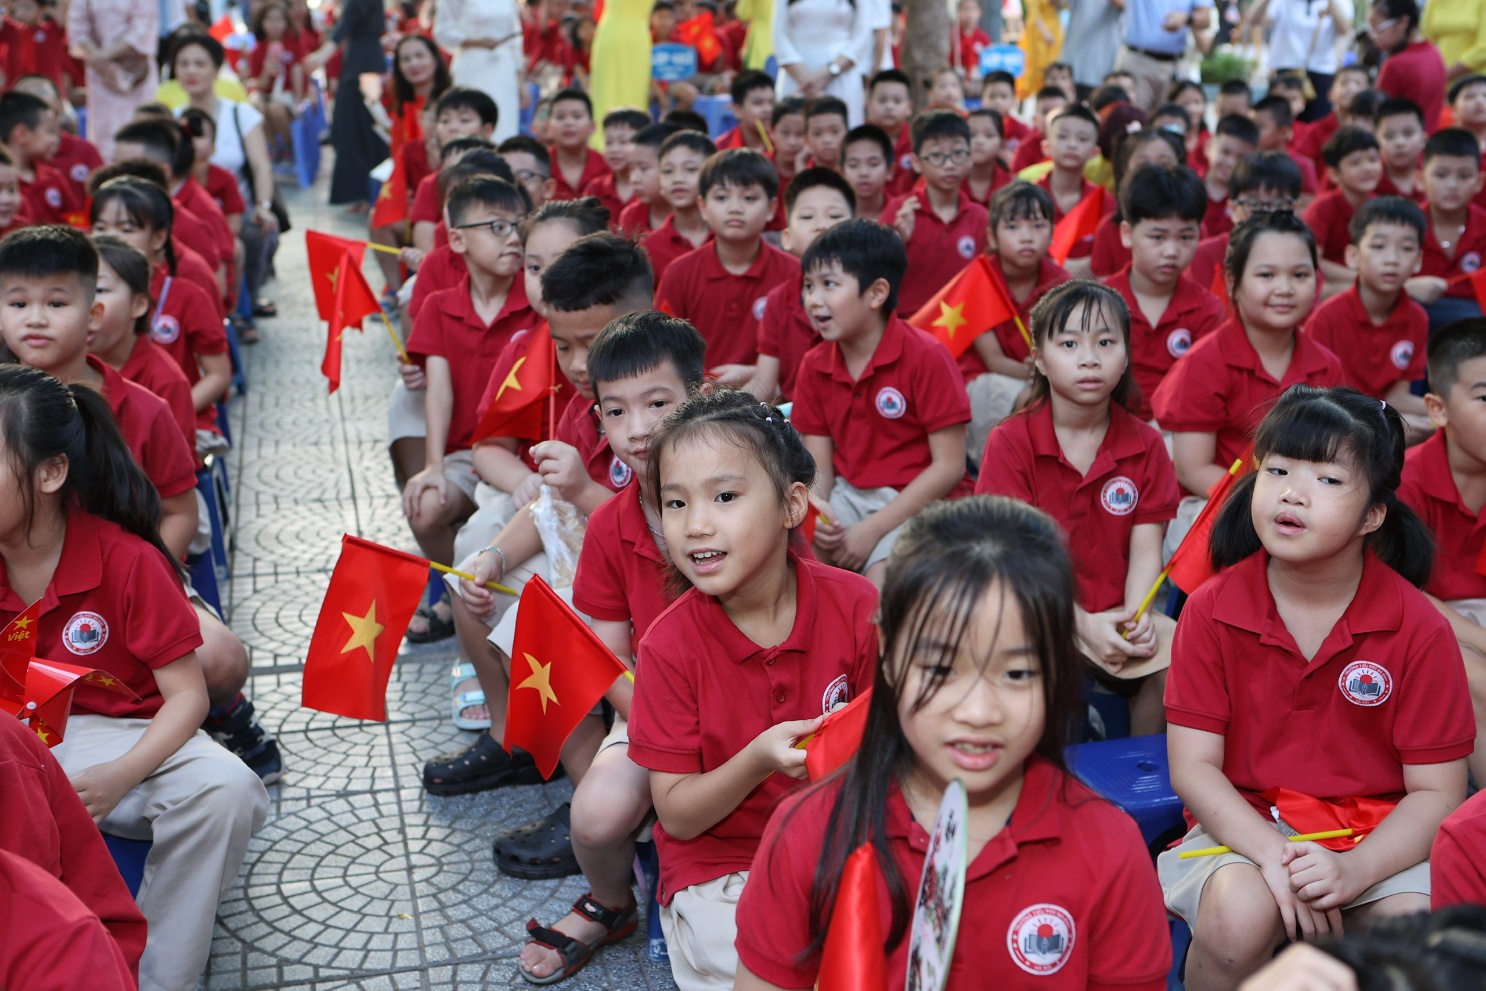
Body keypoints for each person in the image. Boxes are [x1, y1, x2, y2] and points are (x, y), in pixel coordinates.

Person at [734, 495, 1172, 990]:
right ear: (890, 656)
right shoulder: (809, 832)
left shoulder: (1109, 848)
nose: (978, 712)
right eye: (942, 670)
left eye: (1016, 672)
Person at [1158, 385, 1474, 990]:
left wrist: (1355, 871)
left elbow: (1438, 794)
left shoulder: (1419, 628)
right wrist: (1276, 858)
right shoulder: (1210, 609)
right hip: (1248, 824)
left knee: (1413, 928)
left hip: (1377, 834)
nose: (1292, 492)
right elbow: (1194, 769)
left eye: (1328, 480)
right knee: (1238, 915)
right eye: (1276, 469)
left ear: (1373, 515)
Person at [0, 353, 269, 991]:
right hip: (17, 741)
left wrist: (125, 773)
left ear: (51, 472)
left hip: (120, 737)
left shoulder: (127, 559)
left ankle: (152, 977)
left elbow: (187, 698)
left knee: (225, 791)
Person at [627, 387, 880, 991]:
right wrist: (757, 760)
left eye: (725, 496)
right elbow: (679, 817)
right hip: (725, 866)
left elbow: (896, 747)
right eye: (675, 503)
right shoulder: (668, 647)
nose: (697, 524)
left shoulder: (857, 606)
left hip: (840, 840)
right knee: (756, 962)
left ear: (793, 505)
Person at [420, 231, 655, 796]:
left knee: (541, 635)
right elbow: (551, 509)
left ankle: (589, 794)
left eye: (591, 344)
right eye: (563, 346)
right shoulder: (584, 406)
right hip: (590, 566)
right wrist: (496, 557)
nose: (576, 364)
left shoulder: (670, 408)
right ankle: (517, 742)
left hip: (650, 582)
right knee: (470, 580)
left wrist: (583, 490)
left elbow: (664, 530)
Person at [515, 312, 706, 983]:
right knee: (593, 819)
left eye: (659, 403)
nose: (639, 427)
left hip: (762, 700)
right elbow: (607, 657)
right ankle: (612, 899)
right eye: (616, 410)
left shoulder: (749, 497)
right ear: (596, 420)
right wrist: (662, 727)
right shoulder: (610, 526)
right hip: (650, 705)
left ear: (699, 398)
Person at [976, 281, 1179, 735]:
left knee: (1176, 658)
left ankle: (1137, 780)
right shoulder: (1010, 441)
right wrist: (1082, 625)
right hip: (1035, 606)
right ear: (1040, 359)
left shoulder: (1146, 444)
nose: (1089, 358)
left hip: (1118, 611)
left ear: (1126, 354)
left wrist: (1137, 617)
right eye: (1069, 344)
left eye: (1106, 342)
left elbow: (1147, 548)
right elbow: (1012, 559)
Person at [1152, 213, 1344, 564]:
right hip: (1220, 499)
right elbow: (1193, 469)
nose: (1284, 288)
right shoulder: (1205, 361)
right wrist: (1271, 502)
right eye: (1266, 275)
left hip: (1303, 501)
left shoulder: (1326, 364)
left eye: (1299, 275)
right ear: (1232, 282)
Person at [791, 219, 971, 587]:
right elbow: (818, 465)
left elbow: (949, 467)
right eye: (808, 286)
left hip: (921, 502)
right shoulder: (814, 363)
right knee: (796, 565)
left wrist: (870, 530)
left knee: (879, 587)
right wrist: (819, 512)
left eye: (829, 284)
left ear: (876, 294)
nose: (813, 299)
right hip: (850, 497)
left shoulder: (926, 355)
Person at [402, 176, 534, 575]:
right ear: (457, 240)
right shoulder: (440, 307)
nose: (512, 237)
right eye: (496, 226)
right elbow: (438, 391)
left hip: (524, 458)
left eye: (519, 225)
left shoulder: (537, 300)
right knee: (424, 509)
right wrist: (434, 465)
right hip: (464, 454)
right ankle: (452, 589)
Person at [1398, 319, 1486, 787]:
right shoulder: (1404, 484)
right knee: (1472, 673)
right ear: (1437, 409)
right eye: (1485, 398)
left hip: (1475, 619)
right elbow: (1396, 595)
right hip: (1417, 626)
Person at [168, 30, 279, 338]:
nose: (191, 71)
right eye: (184, 63)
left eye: (199, 63)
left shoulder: (240, 113)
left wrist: (263, 206)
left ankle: (244, 305)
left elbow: (261, 167)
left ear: (216, 69)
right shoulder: (173, 119)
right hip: (184, 213)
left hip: (234, 212)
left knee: (256, 234)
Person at [656, 148, 796, 381]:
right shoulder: (679, 273)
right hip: (696, 405)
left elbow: (801, 353)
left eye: (749, 198)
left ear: (771, 209)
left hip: (774, 405)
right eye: (722, 197)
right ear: (703, 207)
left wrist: (757, 374)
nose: (735, 208)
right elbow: (662, 350)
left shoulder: (793, 273)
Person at [1106, 164, 1224, 421]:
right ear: (1127, 234)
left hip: (1175, 429)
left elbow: (1201, 389)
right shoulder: (1101, 302)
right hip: (1106, 421)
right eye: (1158, 237)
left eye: (1185, 237)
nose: (1172, 250)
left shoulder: (1207, 308)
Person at [962, 182, 1070, 453]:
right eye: (1013, 227)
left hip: (1044, 375)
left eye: (1037, 226)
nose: (1026, 237)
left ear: (1052, 234)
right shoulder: (979, 280)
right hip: (991, 377)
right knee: (1032, 398)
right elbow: (993, 360)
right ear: (993, 237)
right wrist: (1039, 371)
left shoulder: (1062, 284)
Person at [1304, 197, 1430, 428]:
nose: (1392, 259)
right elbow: (1316, 402)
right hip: (1332, 425)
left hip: (1380, 419)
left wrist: (1446, 412)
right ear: (1352, 256)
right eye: (1378, 246)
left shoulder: (1417, 317)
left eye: (1406, 248)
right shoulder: (1326, 318)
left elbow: (1397, 397)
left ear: (1418, 260)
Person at [749, 167, 855, 403]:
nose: (822, 226)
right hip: (797, 430)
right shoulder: (778, 299)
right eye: (807, 217)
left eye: (835, 216)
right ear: (786, 237)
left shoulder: (865, 295)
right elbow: (764, 384)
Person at [884, 111, 988, 318]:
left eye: (958, 153)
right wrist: (897, 240)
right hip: (907, 327)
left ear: (970, 158)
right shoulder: (898, 211)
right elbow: (874, 273)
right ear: (916, 162)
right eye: (937, 156)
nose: (949, 164)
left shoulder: (982, 218)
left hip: (963, 328)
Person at [1408, 128, 1486, 332]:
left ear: (1479, 182)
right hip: (1411, 322)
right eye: (1441, 175)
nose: (1452, 185)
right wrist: (1405, 287)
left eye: (1464, 176)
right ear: (1420, 179)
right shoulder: (1404, 225)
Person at [65, 0, 157, 161]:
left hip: (134, 71)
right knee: (103, 133)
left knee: (139, 126)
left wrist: (105, 56)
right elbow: (76, 25)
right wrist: (99, 58)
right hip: (100, 74)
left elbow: (143, 26)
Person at [1306, 127, 1384, 297]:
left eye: (1373, 159)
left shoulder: (1382, 207)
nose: (1367, 168)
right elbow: (1310, 260)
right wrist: (1361, 279)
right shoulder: (1322, 208)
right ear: (1334, 174)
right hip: (1333, 283)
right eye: (1355, 163)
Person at [433, 0, 523, 143]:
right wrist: (477, 42)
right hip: (472, 64)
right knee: (469, 112)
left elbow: (516, 37)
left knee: (505, 121)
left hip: (504, 68)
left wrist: (520, 80)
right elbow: (442, 32)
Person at [772, 0, 873, 127]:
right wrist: (805, 79)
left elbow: (862, 36)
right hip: (796, 78)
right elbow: (779, 34)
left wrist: (829, 72)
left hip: (841, 76)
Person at [1245, 0, 1352, 119]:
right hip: (1285, 71)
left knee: (1316, 123)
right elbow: (1254, 20)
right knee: (1280, 120)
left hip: (1320, 72)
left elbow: (1344, 28)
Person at [642, 129, 716, 283]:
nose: (678, 179)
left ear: (713, 175)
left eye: (690, 169)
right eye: (668, 171)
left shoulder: (730, 237)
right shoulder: (648, 247)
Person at [1115, 0, 1212, 113]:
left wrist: (1187, 18)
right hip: (1139, 61)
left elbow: (1206, 18)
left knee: (1171, 120)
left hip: (1173, 64)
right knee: (1134, 116)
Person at [1373, 0, 1447, 133]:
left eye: (1377, 28)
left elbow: (1378, 114)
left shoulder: (1395, 64)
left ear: (1402, 23)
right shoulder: (1433, 52)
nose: (1374, 36)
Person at [1375, 98, 1428, 202]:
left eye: (1408, 134)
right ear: (1376, 142)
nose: (1399, 143)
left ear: (1424, 139)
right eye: (1389, 136)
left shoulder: (1436, 178)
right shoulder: (1368, 182)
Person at [1421, 0, 1486, 84]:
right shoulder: (1434, 1)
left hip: (1474, 83)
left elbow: (1483, 47)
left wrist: (1445, 74)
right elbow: (1426, 40)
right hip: (1438, 78)